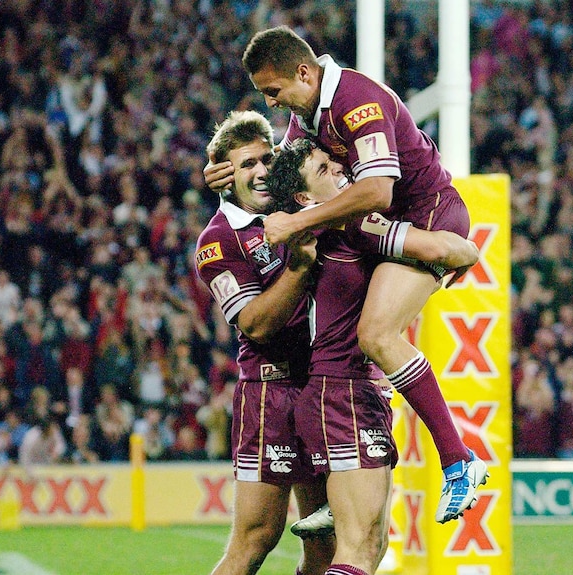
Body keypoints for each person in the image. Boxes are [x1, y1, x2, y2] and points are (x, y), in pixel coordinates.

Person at [204, 25, 487, 524]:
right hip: (369, 226)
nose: (272, 105)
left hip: (417, 217)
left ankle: (458, 459)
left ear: (304, 72)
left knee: (376, 333)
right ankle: (348, 478)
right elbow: (288, 181)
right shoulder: (305, 116)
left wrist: (300, 221)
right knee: (332, 333)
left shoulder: (356, 100)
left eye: (274, 91)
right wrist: (221, 183)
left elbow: (376, 191)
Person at [267, 138, 481, 574]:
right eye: (325, 170)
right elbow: (441, 250)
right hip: (342, 395)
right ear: (305, 198)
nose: (341, 171)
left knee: (362, 547)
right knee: (359, 552)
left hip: (333, 395)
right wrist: (470, 252)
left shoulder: (313, 233)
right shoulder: (354, 227)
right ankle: (457, 459)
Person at [195, 110, 334, 575]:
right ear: (224, 174)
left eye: (265, 160)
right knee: (256, 538)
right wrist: (298, 266)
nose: (260, 172)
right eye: (246, 164)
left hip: (325, 387)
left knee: (325, 541)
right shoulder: (216, 241)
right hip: (271, 394)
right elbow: (254, 325)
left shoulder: (294, 205)